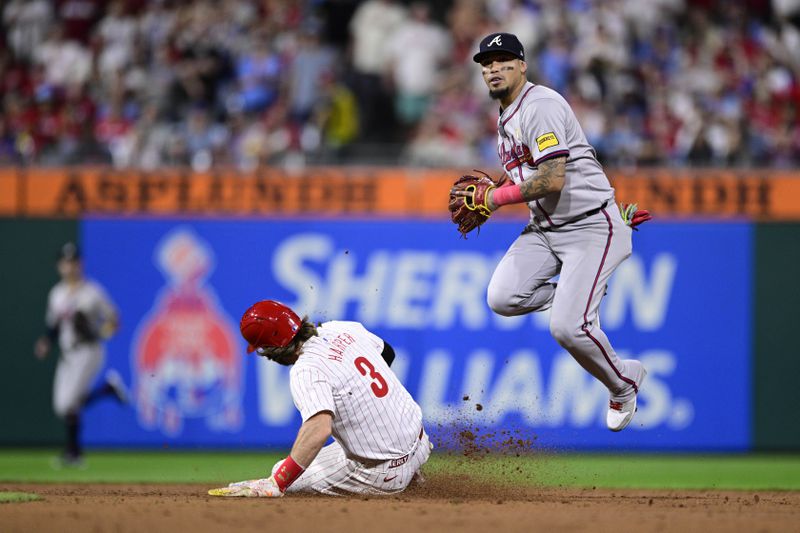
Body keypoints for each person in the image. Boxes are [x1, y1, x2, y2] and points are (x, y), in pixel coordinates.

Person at [460, 33, 651, 432]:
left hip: (590, 228)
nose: (494, 67)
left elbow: (552, 180)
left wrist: (495, 198)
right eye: (487, 62)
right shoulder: (505, 119)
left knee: (567, 327)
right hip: (547, 230)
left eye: (504, 59)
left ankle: (624, 382)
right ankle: (577, 293)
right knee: (503, 296)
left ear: (523, 65)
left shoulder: (540, 105)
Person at [209, 300, 430, 497]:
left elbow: (319, 429)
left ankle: (398, 477)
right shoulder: (341, 328)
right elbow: (388, 353)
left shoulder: (306, 369)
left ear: (270, 349)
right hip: (420, 443)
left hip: (381, 474)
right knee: (344, 447)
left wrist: (277, 483)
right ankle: (410, 471)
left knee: (282, 472)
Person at [34, 242, 127, 467]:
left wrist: (100, 331)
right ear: (59, 266)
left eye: (74, 261)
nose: (70, 266)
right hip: (67, 353)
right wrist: (47, 341)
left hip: (88, 350)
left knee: (68, 403)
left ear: (80, 264)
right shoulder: (56, 294)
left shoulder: (92, 292)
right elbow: (54, 325)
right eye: (66, 262)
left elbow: (114, 318)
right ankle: (107, 390)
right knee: (62, 406)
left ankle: (73, 452)